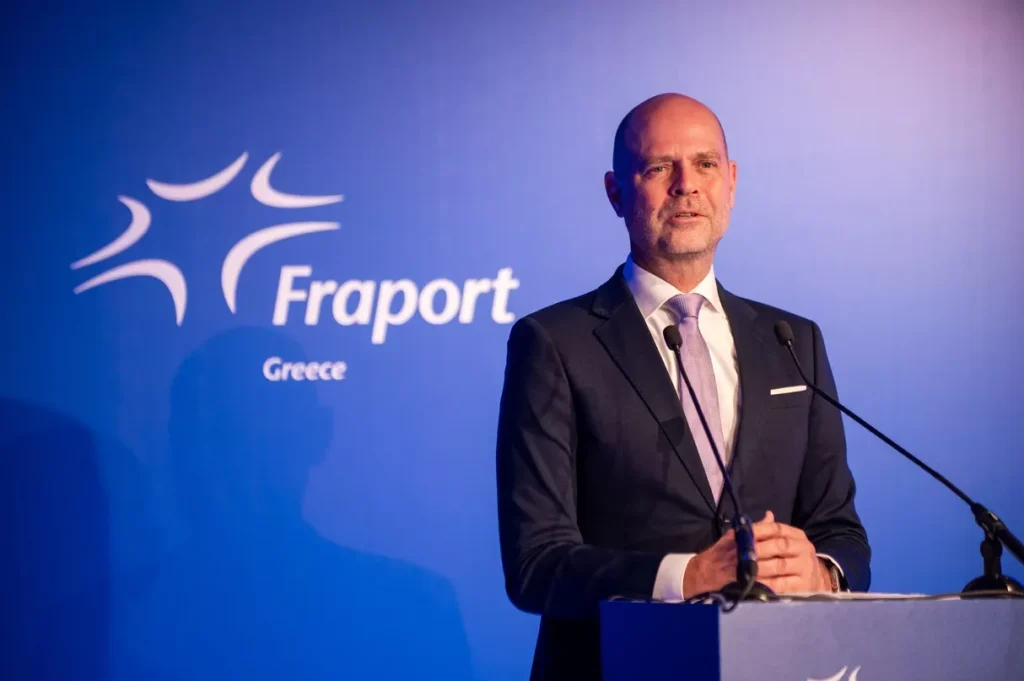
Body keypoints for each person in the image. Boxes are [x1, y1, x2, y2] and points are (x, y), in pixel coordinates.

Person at [495, 93, 870, 680]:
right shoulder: (553, 343)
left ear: (732, 181)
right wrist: (686, 577)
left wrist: (822, 572)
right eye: (658, 167)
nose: (686, 185)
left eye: (705, 164)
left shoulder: (793, 341)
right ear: (616, 193)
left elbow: (840, 530)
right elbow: (536, 563)